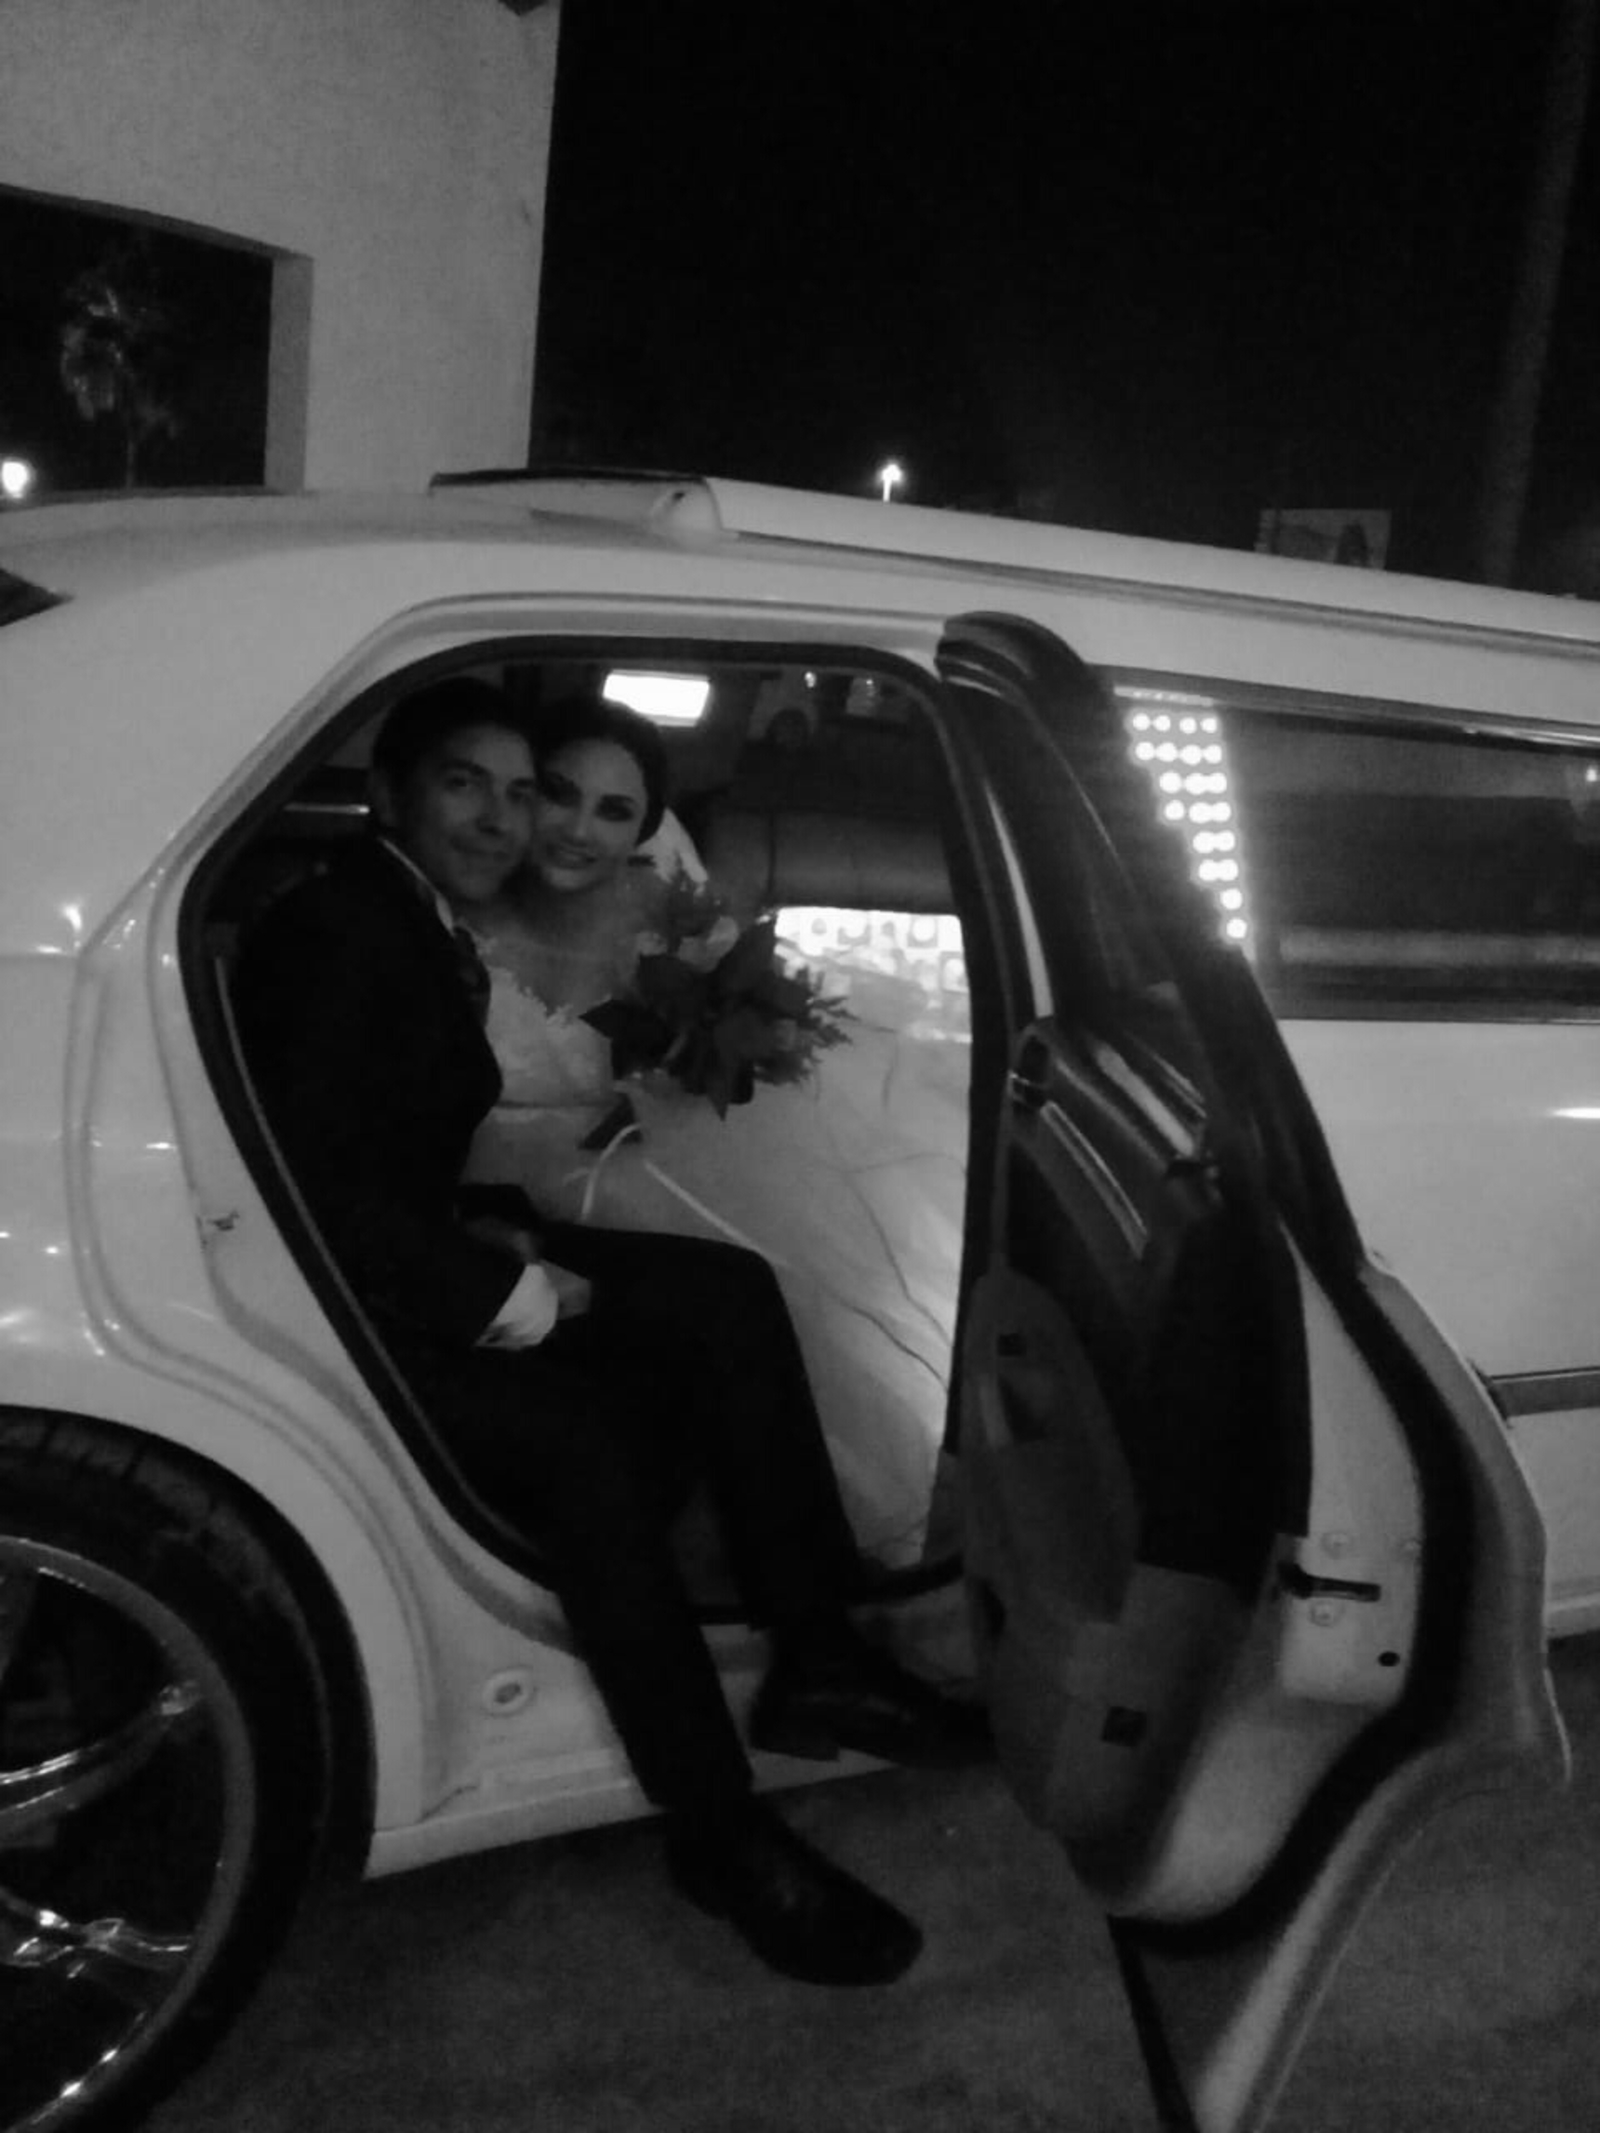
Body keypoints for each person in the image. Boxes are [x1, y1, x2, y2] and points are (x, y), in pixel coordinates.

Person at [232, 675, 983, 1990]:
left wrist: (489, 1230)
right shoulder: (340, 930)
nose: (504, 818)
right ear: (392, 792)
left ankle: (816, 1649)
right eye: (465, 784)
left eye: (517, 791)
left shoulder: (398, 910)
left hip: (423, 1244)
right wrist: (505, 1291)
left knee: (726, 1294)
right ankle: (716, 1828)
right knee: (588, 1444)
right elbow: (306, 1180)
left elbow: (374, 1142)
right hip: (342, 1308)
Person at [463, 693, 966, 1569]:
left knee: (750, 1295)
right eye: (559, 794)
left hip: (639, 1170)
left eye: (612, 810)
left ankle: (791, 1564)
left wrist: (691, 1071)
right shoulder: (454, 918)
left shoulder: (668, 922)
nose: (577, 829)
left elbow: (748, 1050)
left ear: (641, 830)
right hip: (487, 1189)